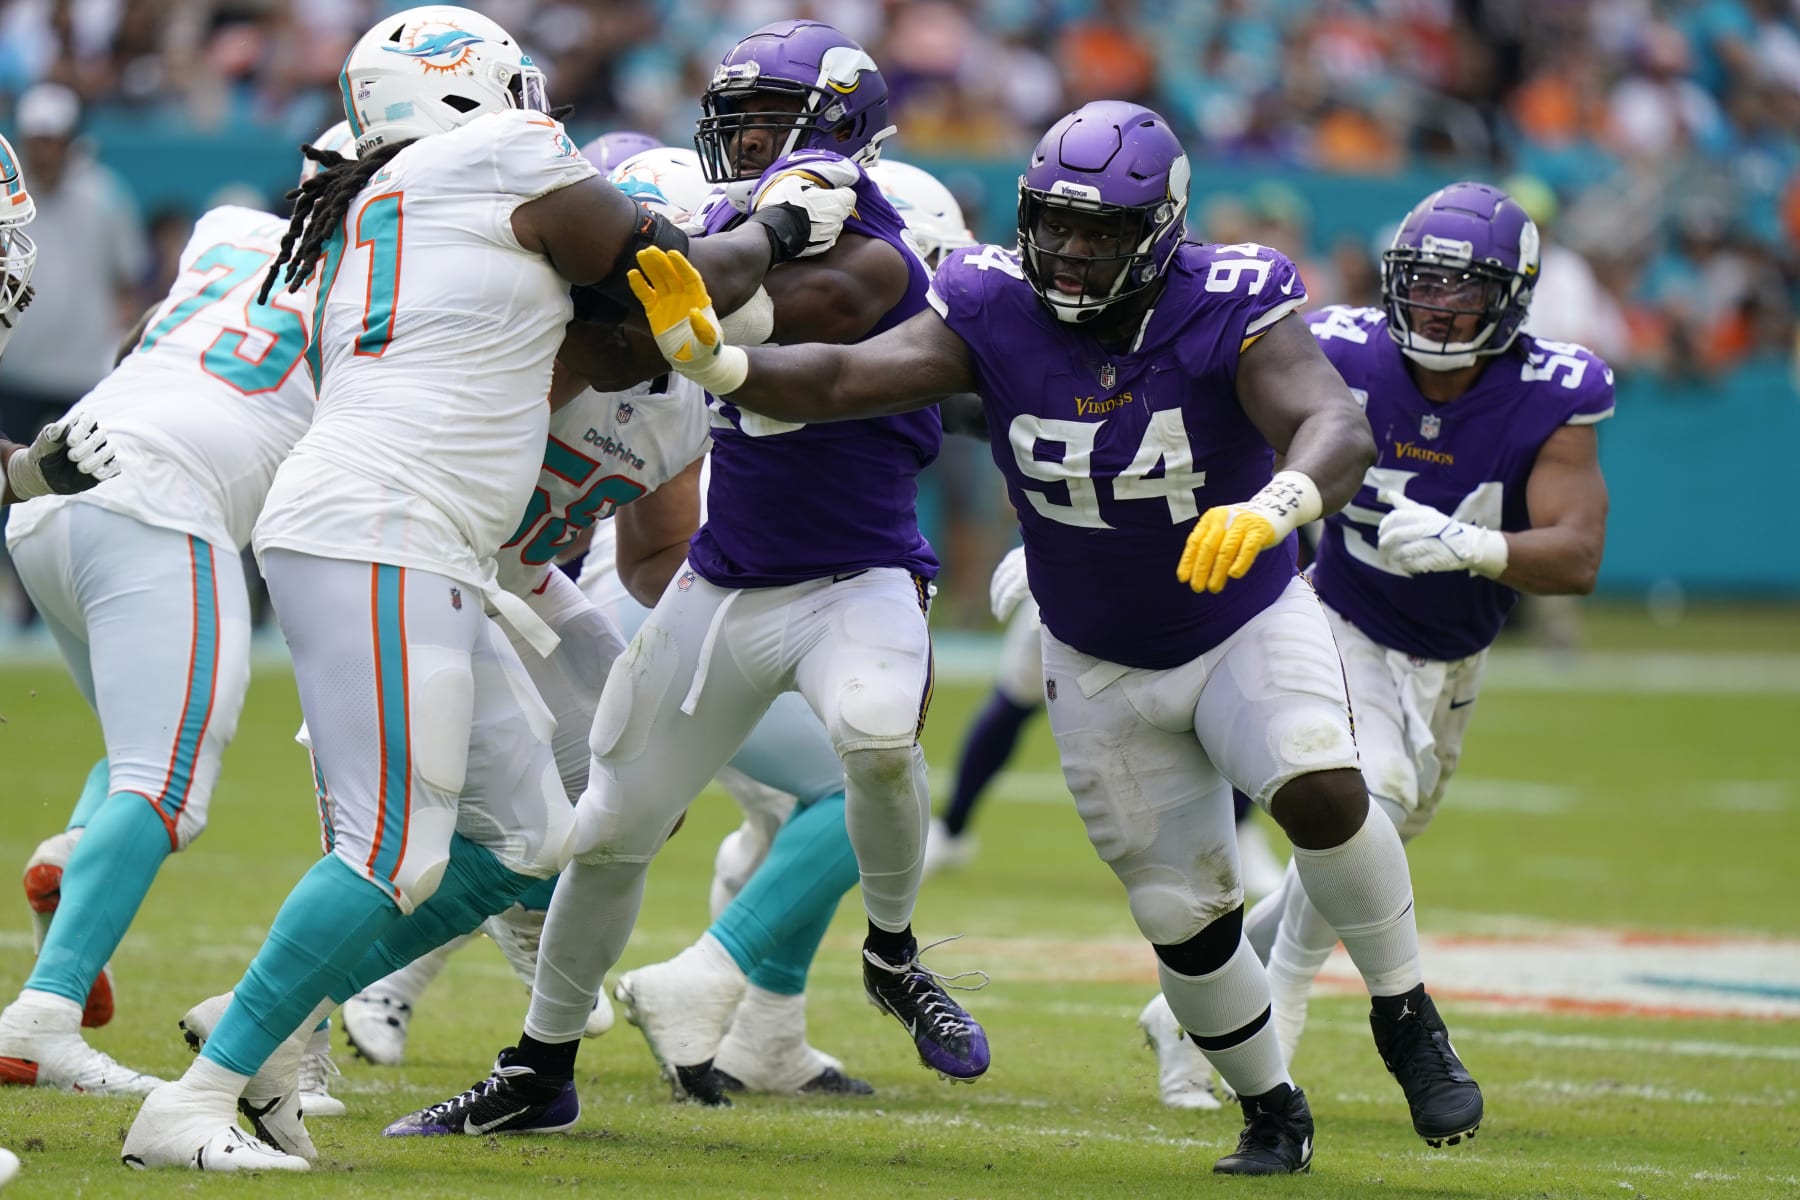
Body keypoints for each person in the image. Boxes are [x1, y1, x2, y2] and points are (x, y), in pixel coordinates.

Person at [627, 99, 1488, 1175]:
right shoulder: (992, 299)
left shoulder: (1232, 297)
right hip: (1092, 654)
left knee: (1319, 783)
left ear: (1160, 230)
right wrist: (723, 367)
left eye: (1102, 230)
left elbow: (1334, 423)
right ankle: (1272, 1108)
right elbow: (848, 378)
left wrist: (1278, 504)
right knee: (1182, 914)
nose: (1073, 250)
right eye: (1057, 223)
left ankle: (1406, 1014)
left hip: (1240, 619)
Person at [120, 5, 853, 1173]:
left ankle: (259, 1032)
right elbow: (666, 278)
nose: (539, 111)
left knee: (526, 839)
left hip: (429, 539)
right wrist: (777, 227)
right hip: (388, 524)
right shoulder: (503, 156)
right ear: (477, 93)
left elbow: (621, 345)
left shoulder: (396, 193)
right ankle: (198, 1099)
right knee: (393, 849)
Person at [382, 20, 990, 1140]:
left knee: (873, 739)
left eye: (771, 127)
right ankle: (541, 1068)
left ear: (842, 134)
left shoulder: (881, 258)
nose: (747, 145)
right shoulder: (730, 222)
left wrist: (724, 263)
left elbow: (755, 332)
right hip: (725, 585)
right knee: (612, 829)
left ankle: (894, 954)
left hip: (857, 580)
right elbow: (642, 323)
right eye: (737, 125)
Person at [1223, 180, 1612, 1070]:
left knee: (1368, 847)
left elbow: (1578, 555)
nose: (1437, 304)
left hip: (1454, 655)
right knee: (1375, 803)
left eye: (1463, 286)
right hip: (1342, 612)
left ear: (1511, 297)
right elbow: (1236, 456)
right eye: (1424, 281)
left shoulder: (1555, 389)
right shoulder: (1338, 349)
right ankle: (1278, 1006)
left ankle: (1194, 999)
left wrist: (1474, 545)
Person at [0, 120, 344, 1103]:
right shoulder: (392, 285)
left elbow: (139, 339)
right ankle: (43, 1018)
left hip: (61, 483)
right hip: (164, 504)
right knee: (167, 785)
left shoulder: (231, 231)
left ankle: (79, 859)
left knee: (139, 752)